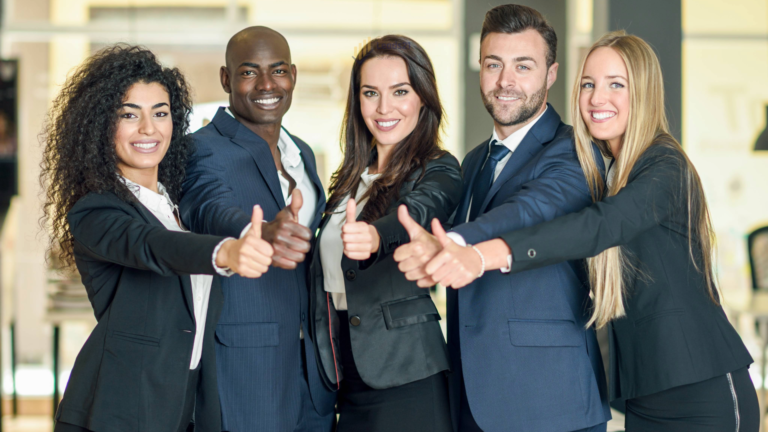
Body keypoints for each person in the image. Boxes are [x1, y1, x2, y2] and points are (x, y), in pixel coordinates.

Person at [416, 31, 760, 432]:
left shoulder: (665, 165)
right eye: (588, 85)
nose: (598, 98)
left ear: (643, 92)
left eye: (617, 85)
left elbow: (598, 228)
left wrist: (480, 254)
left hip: (702, 388)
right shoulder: (605, 170)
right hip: (644, 396)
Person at [394, 5, 611, 432]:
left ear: (550, 74)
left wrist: (455, 241)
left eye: (523, 66)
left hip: (549, 401)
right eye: (493, 64)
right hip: (474, 400)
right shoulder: (474, 161)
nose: (505, 81)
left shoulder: (575, 151)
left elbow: (529, 210)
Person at [40, 45, 274, 432]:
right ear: (100, 126)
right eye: (129, 115)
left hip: (184, 406)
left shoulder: (177, 207)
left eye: (160, 113)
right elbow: (152, 246)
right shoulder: (95, 211)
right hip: (117, 411)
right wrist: (225, 251)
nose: (148, 129)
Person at [179, 27, 336, 432]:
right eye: (250, 72)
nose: (267, 85)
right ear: (226, 79)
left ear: (293, 76)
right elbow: (207, 206)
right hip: (247, 365)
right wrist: (260, 231)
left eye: (278, 70)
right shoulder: (201, 147)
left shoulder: (300, 151)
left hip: (312, 369)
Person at [308, 35, 462, 432]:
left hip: (405, 373)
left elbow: (420, 211)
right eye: (370, 92)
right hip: (343, 374)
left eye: (400, 91)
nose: (383, 107)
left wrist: (376, 237)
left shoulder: (438, 168)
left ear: (423, 98)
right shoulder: (348, 180)